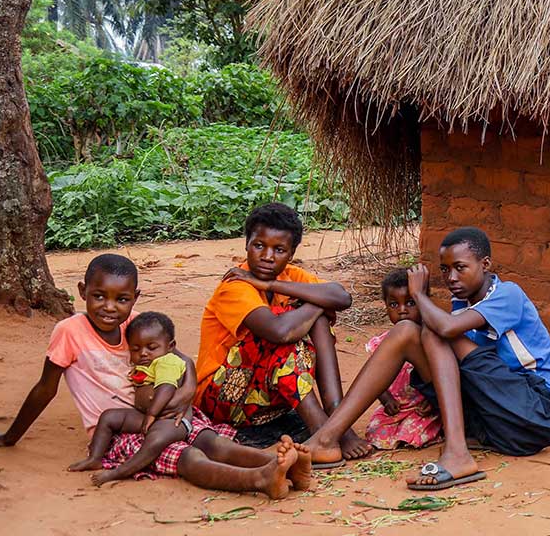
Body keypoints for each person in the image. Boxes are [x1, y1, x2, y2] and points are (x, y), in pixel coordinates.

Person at [303, 227, 550, 490]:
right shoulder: (460, 304)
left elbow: (445, 329)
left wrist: (419, 294)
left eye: (460, 267)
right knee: (406, 331)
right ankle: (327, 438)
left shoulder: (508, 294)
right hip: (494, 425)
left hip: (535, 413)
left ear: (485, 264)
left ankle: (457, 453)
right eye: (445, 269)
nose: (451, 277)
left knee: (433, 330)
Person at [68, 312, 312, 499]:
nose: (142, 353)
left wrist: (165, 406)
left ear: (134, 297)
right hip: (142, 423)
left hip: (162, 420)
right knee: (208, 448)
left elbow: (173, 371)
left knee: (201, 452)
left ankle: (262, 477)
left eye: (122, 299)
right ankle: (282, 469)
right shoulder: (120, 331)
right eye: (135, 349)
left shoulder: (144, 331)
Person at [195, 202, 369, 462]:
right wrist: (316, 303)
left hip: (265, 398)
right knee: (291, 322)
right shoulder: (234, 285)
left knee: (315, 317)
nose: (267, 256)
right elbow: (279, 332)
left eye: (279, 250)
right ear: (246, 244)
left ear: (291, 253)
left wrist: (273, 284)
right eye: (259, 246)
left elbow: (341, 297)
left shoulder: (288, 276)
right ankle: (324, 430)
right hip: (221, 398)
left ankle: (335, 418)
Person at [0, 254, 197, 446]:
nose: (110, 307)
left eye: (122, 299)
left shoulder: (136, 323)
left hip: (163, 415)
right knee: (191, 461)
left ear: (135, 298)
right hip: (118, 431)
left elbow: (182, 360)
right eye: (99, 296)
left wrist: (187, 392)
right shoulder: (70, 332)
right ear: (83, 292)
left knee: (212, 443)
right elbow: (46, 389)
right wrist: (9, 437)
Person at [363, 269, 442, 450]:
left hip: (421, 408)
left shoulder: (430, 340)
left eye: (410, 303)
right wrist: (386, 400)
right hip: (396, 407)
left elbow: (439, 375)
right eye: (394, 305)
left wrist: (431, 400)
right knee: (376, 430)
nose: (402, 311)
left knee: (420, 429)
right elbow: (373, 380)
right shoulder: (380, 344)